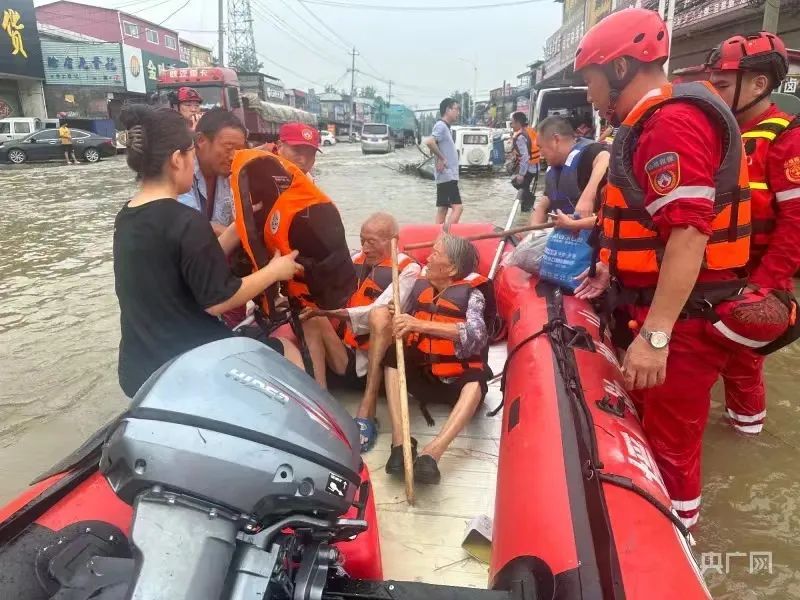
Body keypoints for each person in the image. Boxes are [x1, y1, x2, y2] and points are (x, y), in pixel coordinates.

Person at [572, 8, 751, 528]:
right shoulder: (652, 121)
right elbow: (651, 223)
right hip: (660, 305)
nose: (589, 94)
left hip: (686, 318)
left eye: (591, 80)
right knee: (658, 433)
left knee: (672, 451)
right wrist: (613, 268)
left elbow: (689, 233)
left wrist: (655, 337)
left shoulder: (672, 121)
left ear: (621, 69)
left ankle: (678, 544)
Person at [112, 105, 303, 398]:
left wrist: (238, 227)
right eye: (190, 155)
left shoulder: (127, 216)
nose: (192, 163)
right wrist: (274, 271)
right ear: (178, 159)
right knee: (287, 350)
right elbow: (219, 300)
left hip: (137, 369)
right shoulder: (186, 221)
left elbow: (189, 261)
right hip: (190, 362)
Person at [706, 32, 800, 435]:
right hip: (707, 278)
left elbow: (796, 224)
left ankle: (746, 434)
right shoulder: (717, 136)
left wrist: (762, 287)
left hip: (749, 282)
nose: (713, 92)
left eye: (723, 84)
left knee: (744, 369)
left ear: (759, 85)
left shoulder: (786, 139)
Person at [300, 213, 421, 451]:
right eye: (362, 240)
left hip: (378, 364)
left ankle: (368, 406)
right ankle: (322, 401)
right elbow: (327, 291)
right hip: (346, 356)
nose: (365, 248)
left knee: (380, 315)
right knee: (310, 318)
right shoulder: (355, 260)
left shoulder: (408, 270)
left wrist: (329, 312)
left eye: (372, 242)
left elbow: (373, 312)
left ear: (392, 240)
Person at [384, 234, 494, 484]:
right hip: (425, 377)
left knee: (476, 378)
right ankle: (400, 443)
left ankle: (432, 454)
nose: (428, 258)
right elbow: (409, 318)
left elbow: (477, 334)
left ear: (452, 268)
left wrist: (417, 323)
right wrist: (399, 315)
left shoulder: (473, 295)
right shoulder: (421, 287)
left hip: (456, 383)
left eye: (435, 253)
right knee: (393, 355)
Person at [531, 115, 608, 231]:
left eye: (540, 147)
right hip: (567, 240)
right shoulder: (555, 169)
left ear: (556, 140)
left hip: (594, 236)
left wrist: (587, 198)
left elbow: (605, 157)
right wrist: (532, 232)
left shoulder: (588, 153)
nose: (541, 154)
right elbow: (544, 204)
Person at [178, 108, 247, 235]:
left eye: (239, 150)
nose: (233, 156)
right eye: (228, 148)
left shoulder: (231, 173)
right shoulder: (180, 171)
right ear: (200, 140)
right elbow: (187, 225)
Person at [426, 98, 462, 225]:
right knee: (458, 208)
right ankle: (446, 238)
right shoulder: (441, 126)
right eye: (456, 109)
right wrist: (442, 158)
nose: (458, 112)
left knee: (443, 209)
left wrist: (439, 157)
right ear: (448, 110)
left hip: (445, 175)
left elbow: (435, 145)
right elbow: (429, 142)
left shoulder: (445, 127)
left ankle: (436, 237)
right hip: (447, 175)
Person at [509, 111, 541, 211]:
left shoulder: (520, 137)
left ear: (518, 123)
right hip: (536, 167)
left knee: (517, 183)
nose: (511, 125)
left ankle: (529, 206)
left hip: (528, 169)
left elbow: (525, 157)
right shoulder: (530, 131)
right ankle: (528, 209)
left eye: (512, 123)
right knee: (524, 189)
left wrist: (521, 174)